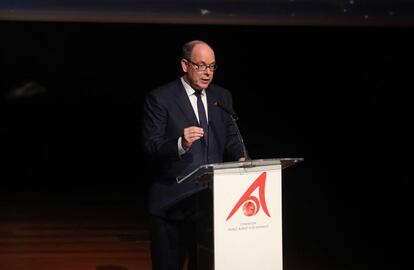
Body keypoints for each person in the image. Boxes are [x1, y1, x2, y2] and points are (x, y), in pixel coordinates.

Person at [141, 40, 247, 270]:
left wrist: (241, 158)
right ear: (184, 65)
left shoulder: (222, 97)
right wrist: (180, 143)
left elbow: (230, 136)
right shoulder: (161, 98)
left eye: (212, 66)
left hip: (209, 207)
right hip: (172, 205)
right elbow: (151, 146)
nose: (207, 73)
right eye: (200, 65)